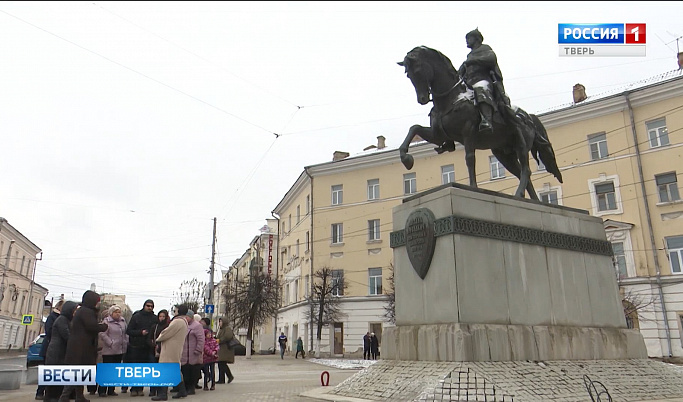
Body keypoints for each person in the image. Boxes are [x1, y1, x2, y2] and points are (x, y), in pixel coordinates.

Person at [59, 291, 108, 402]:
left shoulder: (83, 311)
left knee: (80, 374)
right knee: (77, 374)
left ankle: (79, 396)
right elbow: (91, 326)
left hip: (81, 348)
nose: (98, 304)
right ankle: (64, 397)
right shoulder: (86, 311)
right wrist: (103, 326)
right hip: (80, 349)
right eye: (97, 301)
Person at [457, 28, 509, 133]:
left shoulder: (485, 49)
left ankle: (487, 120)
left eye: (469, 38)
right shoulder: (469, 56)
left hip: (484, 79)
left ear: (476, 39)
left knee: (480, 89)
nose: (467, 41)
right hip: (470, 83)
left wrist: (471, 61)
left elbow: (490, 59)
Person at [151, 305, 190, 401]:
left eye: (175, 310)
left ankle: (163, 394)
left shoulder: (177, 321)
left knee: (165, 369)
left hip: (170, 348)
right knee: (175, 369)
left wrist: (158, 339)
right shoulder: (184, 321)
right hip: (176, 347)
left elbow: (166, 333)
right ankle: (182, 390)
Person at [43, 301, 77, 402]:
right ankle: (51, 398)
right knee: (54, 380)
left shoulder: (66, 320)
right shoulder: (62, 320)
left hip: (61, 353)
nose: (75, 312)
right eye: (74, 310)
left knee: (59, 380)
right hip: (56, 353)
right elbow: (67, 336)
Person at [125, 299, 157, 397]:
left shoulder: (154, 318)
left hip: (148, 347)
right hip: (136, 346)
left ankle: (140, 388)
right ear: (144, 306)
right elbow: (129, 330)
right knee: (135, 368)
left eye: (151, 306)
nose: (149, 308)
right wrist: (140, 332)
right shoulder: (137, 316)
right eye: (148, 306)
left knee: (144, 369)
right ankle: (134, 389)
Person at [36, 300, 64, 400]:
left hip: (56, 349)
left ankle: (51, 393)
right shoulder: (52, 317)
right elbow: (49, 332)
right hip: (49, 348)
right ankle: (40, 392)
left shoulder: (60, 317)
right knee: (47, 372)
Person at [98, 305, 128, 397]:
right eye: (116, 312)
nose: (118, 314)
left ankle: (111, 390)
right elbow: (102, 333)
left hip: (120, 349)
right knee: (107, 371)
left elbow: (125, 333)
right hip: (109, 350)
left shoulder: (123, 322)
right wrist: (110, 342)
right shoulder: (106, 322)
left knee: (115, 371)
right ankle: (102, 390)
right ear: (111, 313)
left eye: (119, 312)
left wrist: (126, 342)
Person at [180, 310, 204, 396]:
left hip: (193, 353)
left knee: (192, 371)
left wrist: (198, 350)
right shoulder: (183, 325)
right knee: (185, 371)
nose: (185, 318)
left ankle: (191, 388)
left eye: (187, 317)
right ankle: (186, 388)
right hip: (184, 353)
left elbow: (201, 339)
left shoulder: (197, 326)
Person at [149, 309, 170, 398]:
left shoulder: (168, 327)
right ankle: (153, 389)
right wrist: (153, 344)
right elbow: (149, 338)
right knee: (153, 370)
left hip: (164, 351)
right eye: (160, 316)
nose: (161, 318)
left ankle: (161, 390)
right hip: (153, 350)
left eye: (163, 316)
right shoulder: (155, 326)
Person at [215, 317, 235, 384]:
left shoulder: (227, 328)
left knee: (222, 363)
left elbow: (228, 336)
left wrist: (220, 340)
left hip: (225, 349)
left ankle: (229, 376)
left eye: (221, 321)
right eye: (219, 321)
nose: (220, 323)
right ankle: (222, 379)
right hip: (221, 349)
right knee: (221, 364)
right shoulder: (221, 329)